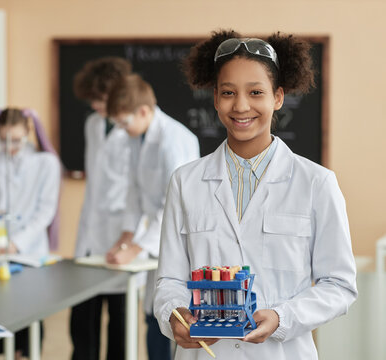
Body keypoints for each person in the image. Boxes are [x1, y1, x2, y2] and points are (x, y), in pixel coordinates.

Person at [153, 30, 358, 359]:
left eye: (256, 92)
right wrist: (174, 316)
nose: (241, 106)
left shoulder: (316, 183)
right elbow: (169, 280)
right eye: (228, 92)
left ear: (277, 98)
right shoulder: (185, 182)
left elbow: (339, 285)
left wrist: (282, 318)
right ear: (215, 97)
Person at [106, 73, 200, 360]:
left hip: (182, 239)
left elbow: (176, 206)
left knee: (176, 317)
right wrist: (126, 237)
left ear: (144, 111)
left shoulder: (174, 139)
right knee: (154, 314)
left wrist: (136, 247)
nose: (122, 129)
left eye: (124, 122)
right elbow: (135, 192)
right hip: (157, 239)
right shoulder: (138, 137)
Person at [0, 108, 60, 359]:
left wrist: (15, 244)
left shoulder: (46, 163)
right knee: (1, 317)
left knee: (29, 317)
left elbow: (45, 212)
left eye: (16, 140)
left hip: (29, 252)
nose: (10, 146)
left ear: (28, 132)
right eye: (4, 140)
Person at [69, 57, 133, 360]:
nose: (94, 106)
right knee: (82, 320)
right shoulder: (93, 124)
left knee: (119, 321)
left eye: (99, 100)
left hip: (120, 230)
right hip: (91, 231)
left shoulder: (133, 130)